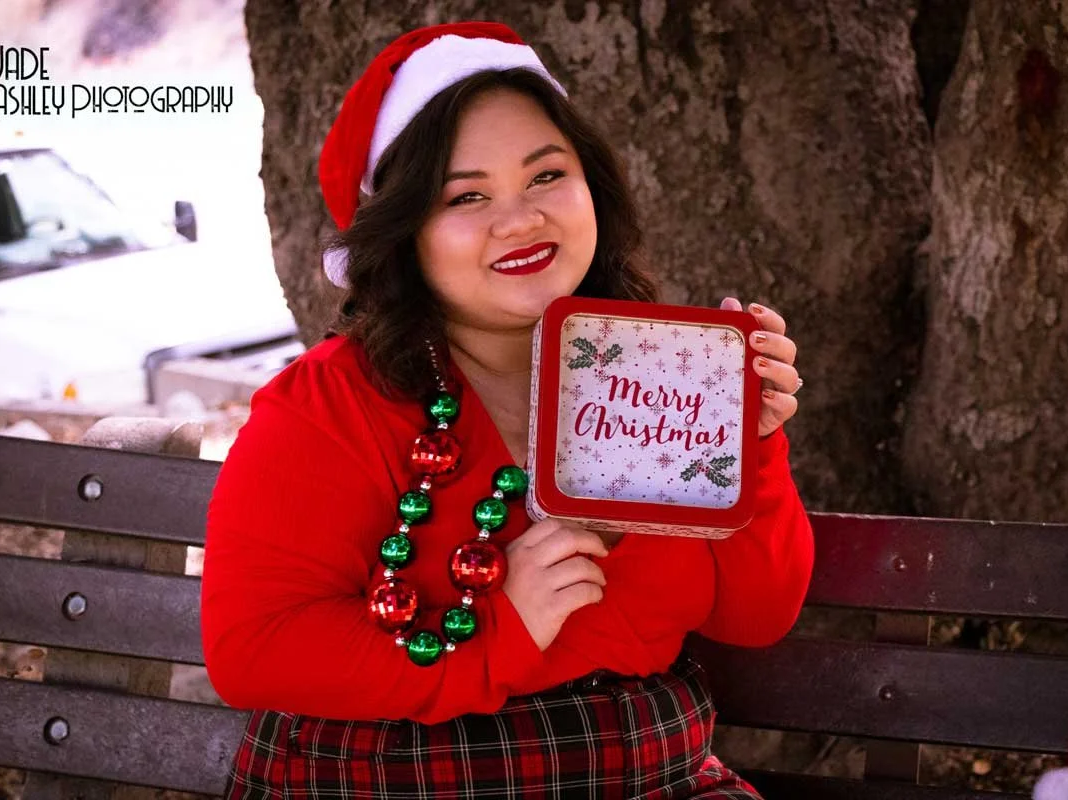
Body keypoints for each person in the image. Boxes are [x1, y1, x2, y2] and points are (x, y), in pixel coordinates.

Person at [201, 20, 814, 799]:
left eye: (546, 177)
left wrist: (750, 448)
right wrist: (498, 633)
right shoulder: (329, 405)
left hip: (656, 777)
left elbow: (755, 617)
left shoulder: (666, 376)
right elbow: (252, 649)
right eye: (466, 196)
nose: (520, 219)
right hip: (406, 781)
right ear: (406, 233)